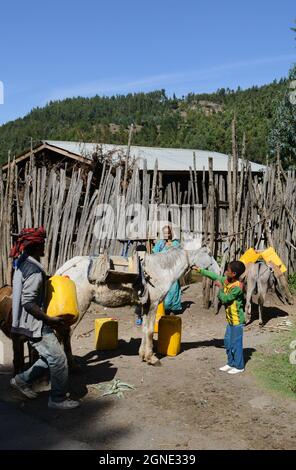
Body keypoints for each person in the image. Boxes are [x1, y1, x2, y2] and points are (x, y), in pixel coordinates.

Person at [9, 227, 80, 409]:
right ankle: (57, 399)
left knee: (51, 356)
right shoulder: (32, 270)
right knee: (59, 360)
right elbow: (28, 302)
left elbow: (30, 288)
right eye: (42, 244)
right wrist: (49, 320)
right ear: (34, 246)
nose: (44, 248)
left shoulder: (24, 261)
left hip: (27, 321)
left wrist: (52, 280)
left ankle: (21, 380)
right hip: (35, 323)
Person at [194, 260, 246, 375]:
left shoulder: (237, 287)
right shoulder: (227, 280)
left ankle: (239, 366)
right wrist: (200, 270)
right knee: (228, 342)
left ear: (234, 274)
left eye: (228, 270)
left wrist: (221, 288)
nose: (226, 272)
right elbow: (215, 276)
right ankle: (231, 363)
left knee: (236, 344)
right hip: (230, 320)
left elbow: (225, 299)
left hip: (237, 321)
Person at [153, 225, 182, 313]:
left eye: (167, 233)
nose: (166, 235)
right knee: (164, 290)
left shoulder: (176, 243)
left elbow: (179, 256)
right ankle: (164, 308)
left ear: (170, 233)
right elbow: (154, 255)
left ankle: (174, 308)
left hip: (172, 270)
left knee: (173, 289)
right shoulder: (160, 244)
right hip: (163, 270)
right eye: (164, 233)